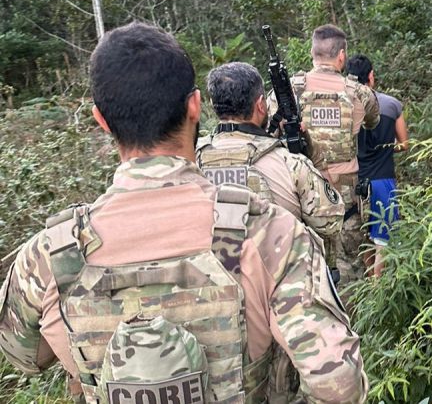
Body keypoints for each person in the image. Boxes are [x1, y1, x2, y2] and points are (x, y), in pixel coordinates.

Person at [0, 22, 367, 404]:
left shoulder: (49, 254)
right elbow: (339, 385)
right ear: (195, 106)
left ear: (101, 120)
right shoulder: (270, 234)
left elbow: (23, 357)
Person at [197, 61, 345, 241]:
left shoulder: (191, 160)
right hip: (277, 266)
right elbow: (331, 223)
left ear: (213, 105)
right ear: (260, 105)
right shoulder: (289, 163)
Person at [292, 24, 380, 286]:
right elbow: (373, 122)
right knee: (350, 264)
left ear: (312, 52)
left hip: (301, 192)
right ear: (341, 56)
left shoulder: (290, 90)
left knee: (305, 262)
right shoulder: (358, 92)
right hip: (345, 196)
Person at [346, 54, 408, 277]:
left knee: (362, 235)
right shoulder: (391, 105)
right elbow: (404, 143)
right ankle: (378, 285)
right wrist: (386, 148)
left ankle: (367, 280)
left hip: (354, 179)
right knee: (383, 235)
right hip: (383, 178)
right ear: (371, 76)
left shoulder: (345, 108)